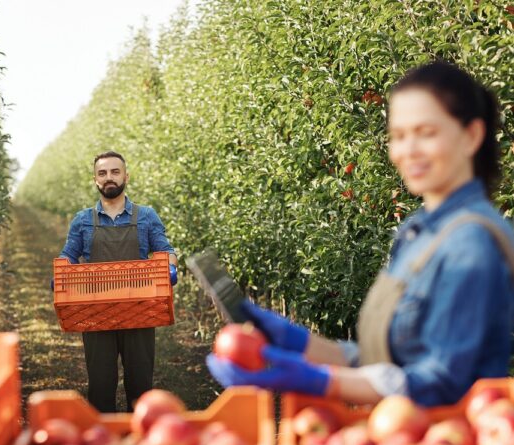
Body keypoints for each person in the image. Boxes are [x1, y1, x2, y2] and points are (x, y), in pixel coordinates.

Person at [207, 61, 514, 407]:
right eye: (398, 136)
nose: (408, 150)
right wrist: (303, 345)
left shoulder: (470, 243)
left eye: (426, 133)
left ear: (471, 136)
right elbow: (385, 363)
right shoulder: (419, 231)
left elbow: (440, 382)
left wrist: (319, 380)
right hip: (402, 436)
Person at [59, 151, 178, 412]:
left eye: (115, 172)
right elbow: (68, 254)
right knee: (100, 385)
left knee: (140, 385)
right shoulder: (82, 220)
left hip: (140, 310)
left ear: (126, 176)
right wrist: (61, 273)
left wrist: (170, 266)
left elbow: (166, 249)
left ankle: (141, 442)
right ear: (95, 180)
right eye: (102, 173)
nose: (109, 178)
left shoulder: (146, 216)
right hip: (94, 311)